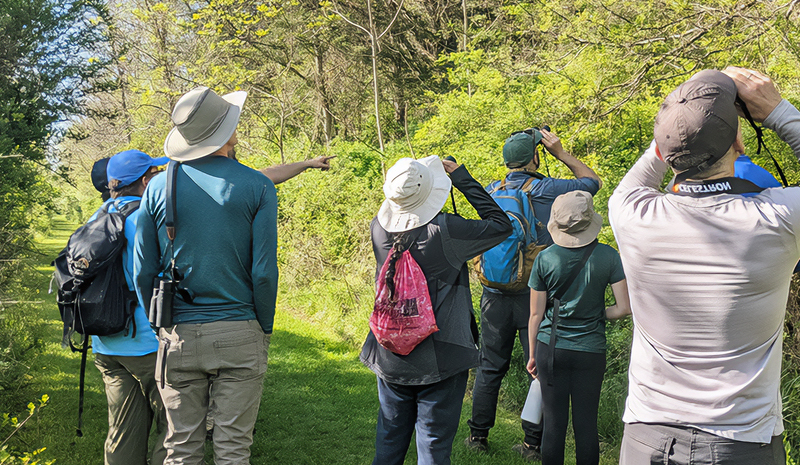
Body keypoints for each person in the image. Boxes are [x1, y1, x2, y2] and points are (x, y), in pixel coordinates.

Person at [608, 67, 800, 464]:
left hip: (646, 437)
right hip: (742, 443)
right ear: (739, 143)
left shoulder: (632, 214)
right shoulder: (778, 220)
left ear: (662, 148)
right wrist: (776, 110)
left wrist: (685, 110)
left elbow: (656, 159)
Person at [134, 86, 278, 464]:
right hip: (240, 329)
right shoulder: (257, 185)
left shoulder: (159, 188)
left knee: (181, 447)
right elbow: (263, 272)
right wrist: (264, 324)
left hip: (178, 334)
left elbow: (142, 269)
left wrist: (158, 326)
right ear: (228, 133)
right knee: (233, 448)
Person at [361, 155, 512, 465]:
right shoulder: (445, 230)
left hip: (390, 351)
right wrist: (462, 178)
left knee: (389, 439)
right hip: (442, 354)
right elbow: (501, 226)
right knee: (432, 444)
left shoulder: (379, 229)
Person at [466, 127, 602, 460]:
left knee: (489, 365)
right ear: (535, 157)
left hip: (493, 293)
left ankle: (477, 437)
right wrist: (561, 153)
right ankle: (531, 444)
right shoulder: (546, 188)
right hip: (535, 295)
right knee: (540, 368)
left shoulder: (490, 189)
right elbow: (592, 182)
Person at [525, 190, 630, 465]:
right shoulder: (608, 256)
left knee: (554, 425)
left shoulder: (545, 258)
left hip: (552, 347)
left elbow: (536, 314)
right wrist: (597, 313)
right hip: (591, 351)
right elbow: (623, 308)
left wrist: (533, 354)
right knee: (586, 425)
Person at [91, 149, 169, 465]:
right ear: (144, 180)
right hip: (146, 344)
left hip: (106, 343)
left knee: (123, 429)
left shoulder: (97, 216)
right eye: (152, 174)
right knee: (176, 427)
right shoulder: (142, 219)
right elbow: (146, 277)